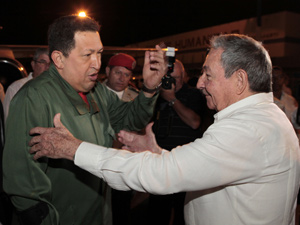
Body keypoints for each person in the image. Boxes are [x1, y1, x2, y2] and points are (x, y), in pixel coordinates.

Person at [29, 34, 300, 225]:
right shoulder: (260, 120)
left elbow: (161, 175)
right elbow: (200, 164)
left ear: (240, 80)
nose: (202, 83)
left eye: (208, 75)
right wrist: (157, 152)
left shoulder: (249, 131)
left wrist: (73, 149)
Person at [3, 15, 166, 225]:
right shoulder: (33, 99)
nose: (97, 64)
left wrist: (149, 88)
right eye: (87, 55)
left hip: (99, 213)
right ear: (59, 59)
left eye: (99, 53)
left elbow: (130, 120)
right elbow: (24, 186)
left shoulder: (97, 92)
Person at [149, 59, 207, 225]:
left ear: (185, 76)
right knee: (157, 212)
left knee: (183, 212)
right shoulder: (157, 95)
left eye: (177, 78)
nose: (172, 82)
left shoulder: (195, 94)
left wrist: (172, 99)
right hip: (160, 161)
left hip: (185, 163)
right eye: (168, 77)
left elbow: (195, 122)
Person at [103, 53, 140, 225]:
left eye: (127, 75)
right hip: (100, 156)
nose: (122, 78)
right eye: (118, 73)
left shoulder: (135, 97)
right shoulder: (94, 93)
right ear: (108, 71)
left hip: (124, 161)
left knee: (121, 207)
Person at [3, 48, 50, 120]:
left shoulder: (56, 88)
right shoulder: (16, 88)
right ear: (33, 65)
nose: (47, 67)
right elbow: (8, 120)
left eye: (50, 63)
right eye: (43, 62)